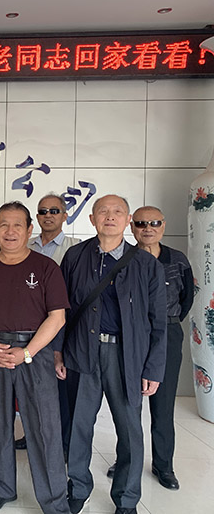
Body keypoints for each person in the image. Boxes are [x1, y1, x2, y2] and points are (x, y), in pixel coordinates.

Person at [61, 195, 166, 514]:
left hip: (127, 357)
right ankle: (78, 487)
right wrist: (57, 352)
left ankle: (126, 498)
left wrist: (153, 368)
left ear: (128, 219)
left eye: (117, 211)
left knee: (130, 430)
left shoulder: (146, 264)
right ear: (91, 219)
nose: (110, 216)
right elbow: (60, 309)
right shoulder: (75, 256)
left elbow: (158, 321)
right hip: (82, 352)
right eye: (103, 212)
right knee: (78, 427)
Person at [0, 201, 70, 514]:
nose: (10, 232)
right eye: (3, 225)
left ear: (29, 229)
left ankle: (54, 500)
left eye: (17, 225)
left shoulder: (46, 267)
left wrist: (26, 352)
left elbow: (57, 317)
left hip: (34, 354)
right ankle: (2, 487)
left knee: (43, 427)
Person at [103, 206, 192, 491]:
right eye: (141, 223)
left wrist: (165, 325)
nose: (148, 228)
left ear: (163, 225)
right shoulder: (124, 258)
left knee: (163, 404)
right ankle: (126, 460)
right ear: (132, 227)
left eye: (154, 223)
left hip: (167, 334)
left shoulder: (177, 260)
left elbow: (186, 299)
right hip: (129, 336)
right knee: (127, 405)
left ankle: (163, 465)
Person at [16, 193, 80, 452]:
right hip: (27, 327)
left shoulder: (75, 249)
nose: (48, 215)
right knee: (30, 389)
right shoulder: (25, 246)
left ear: (64, 216)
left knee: (60, 390)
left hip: (61, 326)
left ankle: (62, 444)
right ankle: (31, 436)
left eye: (54, 211)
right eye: (43, 211)